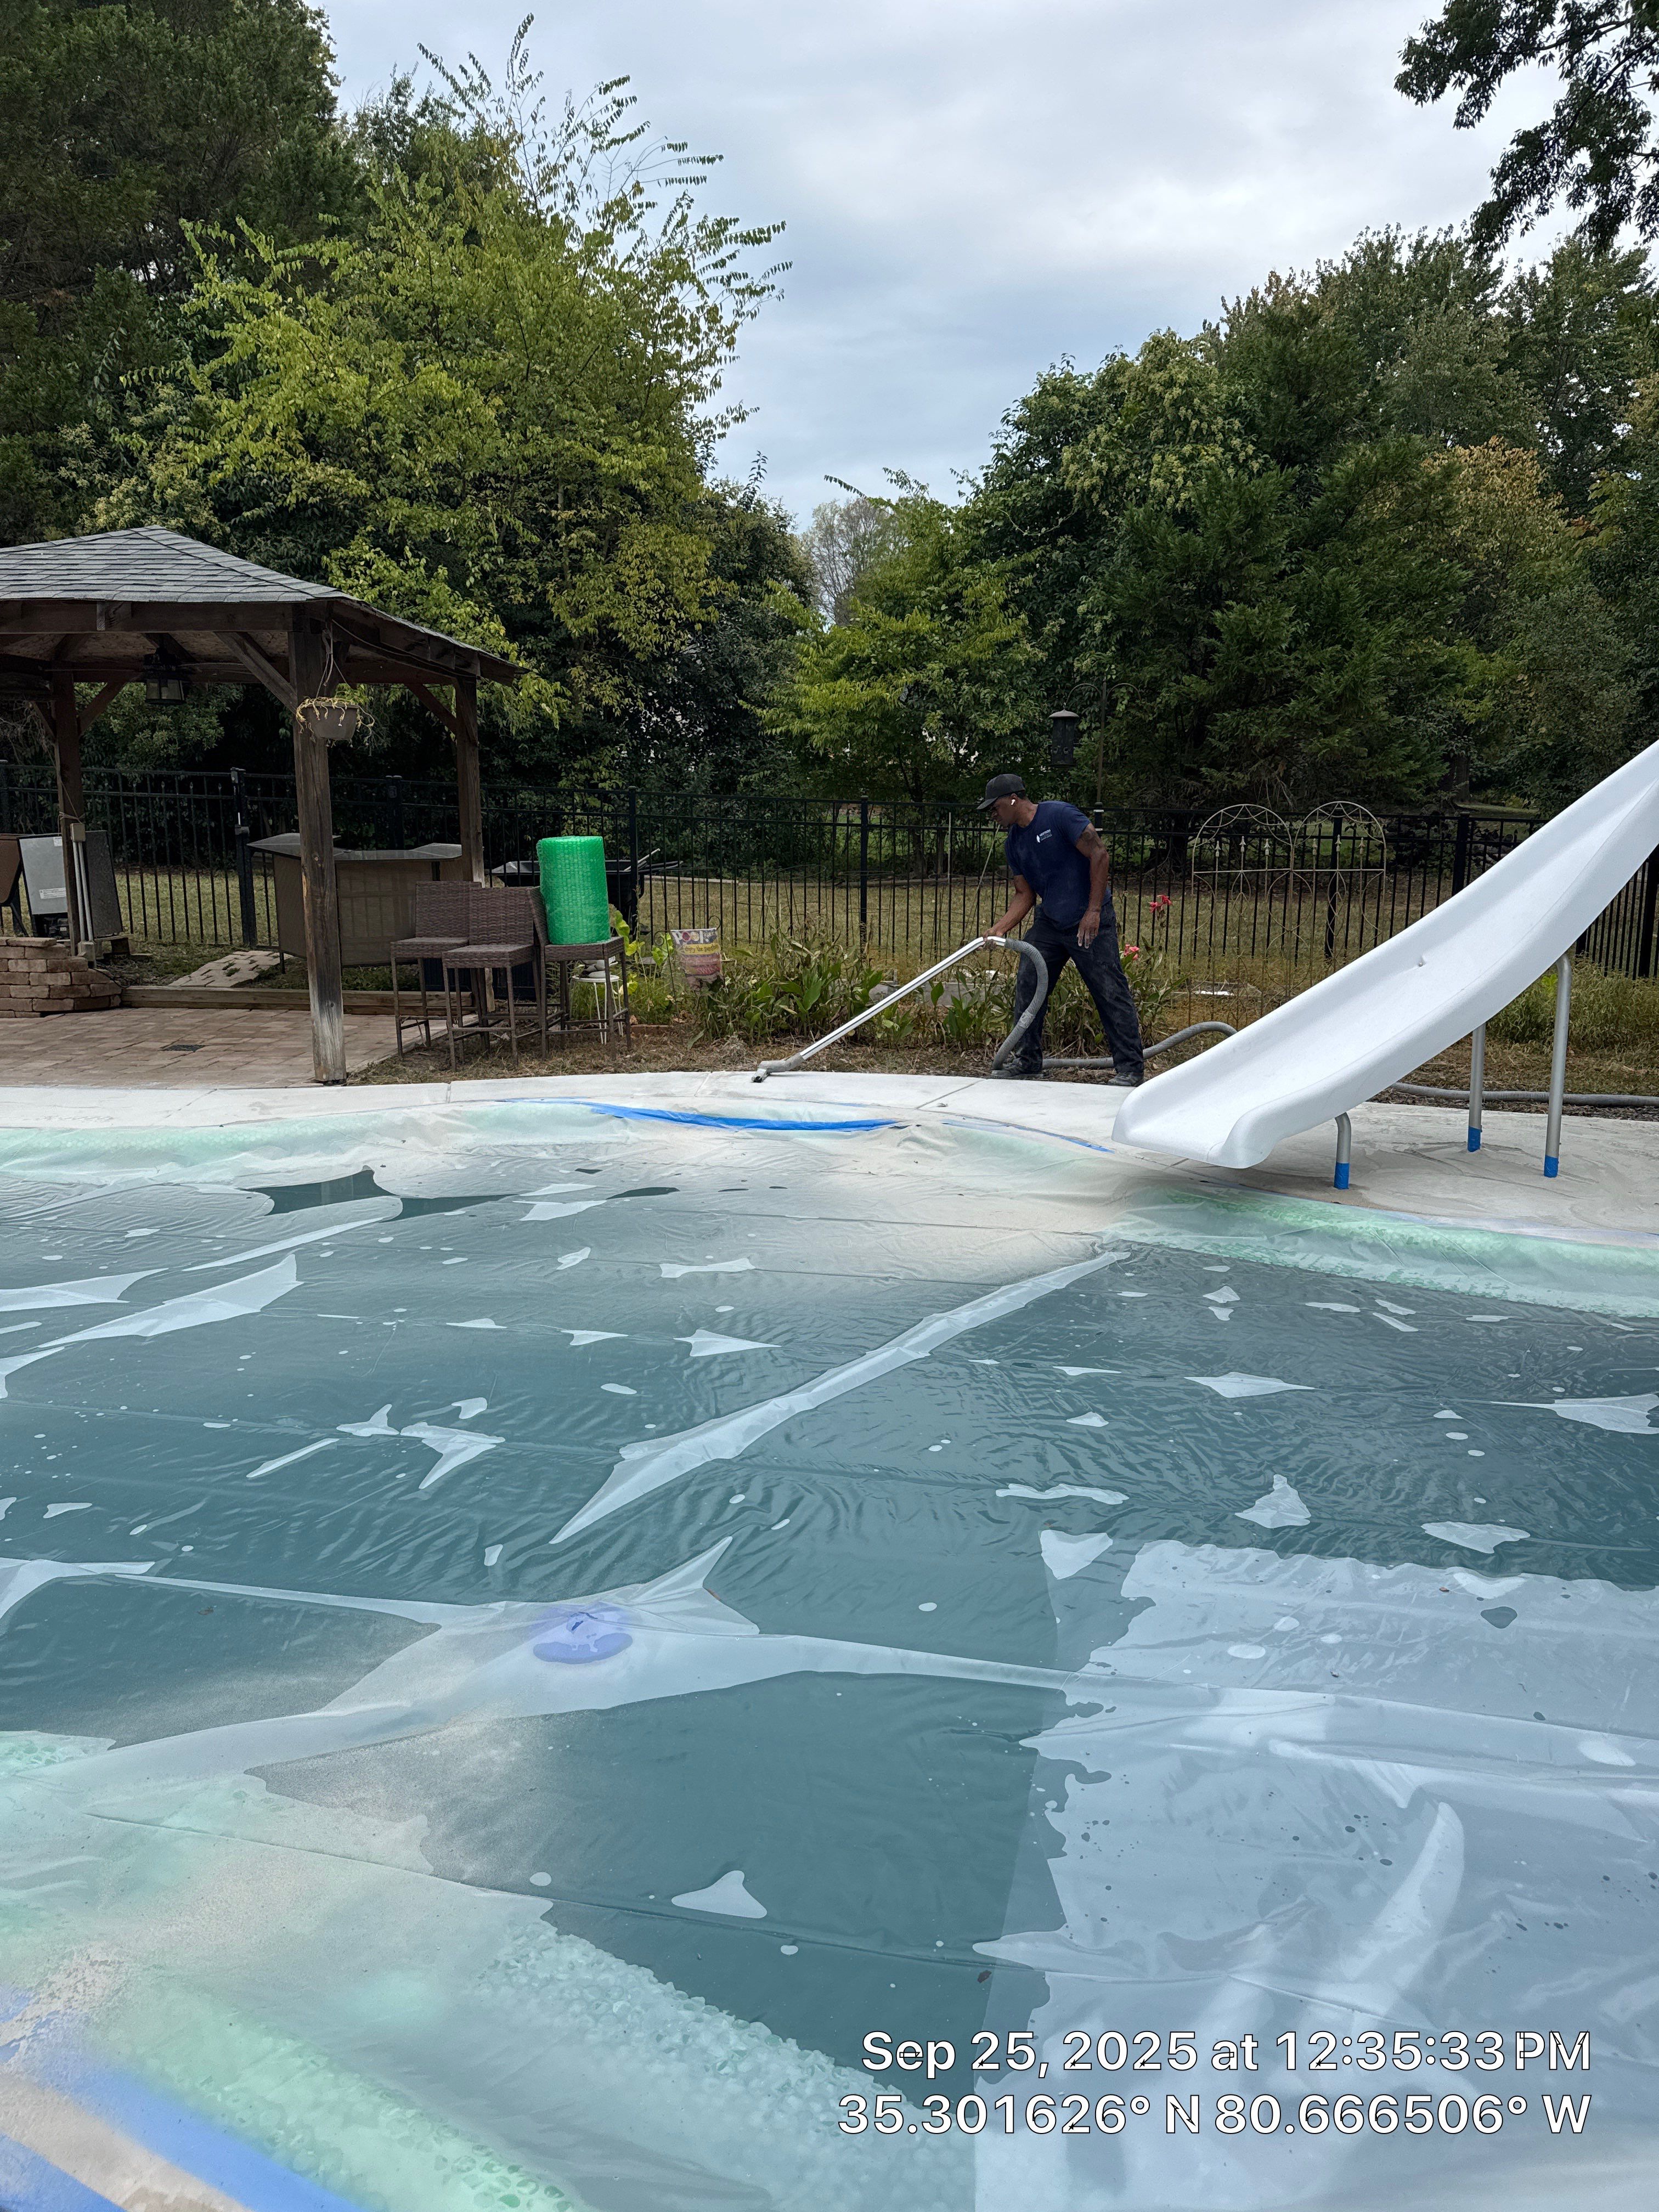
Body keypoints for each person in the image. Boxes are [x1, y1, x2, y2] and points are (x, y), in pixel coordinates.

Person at [978, 772, 1144, 1084]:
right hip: (1051, 923)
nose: (993, 814)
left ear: (1014, 799)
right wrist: (998, 928)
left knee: (1109, 990)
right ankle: (1028, 1061)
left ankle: (1130, 1069)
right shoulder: (1014, 843)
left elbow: (1099, 854)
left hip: (1089, 921)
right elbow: (1024, 894)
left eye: (995, 807)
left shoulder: (1059, 815)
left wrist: (1094, 911)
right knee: (1030, 979)